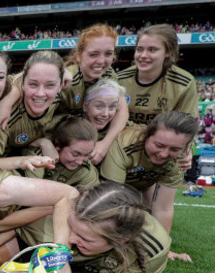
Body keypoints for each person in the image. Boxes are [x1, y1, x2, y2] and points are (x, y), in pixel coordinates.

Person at [17, 182, 171, 273]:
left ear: (121, 240)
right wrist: (60, 254)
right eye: (70, 227)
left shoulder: (152, 247)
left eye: (85, 239)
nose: (70, 238)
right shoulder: (65, 218)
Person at [100, 111, 198, 261]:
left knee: (147, 214)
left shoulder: (180, 159)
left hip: (142, 180)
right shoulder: (126, 143)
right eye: (159, 145)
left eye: (174, 149)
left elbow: (163, 208)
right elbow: (110, 199)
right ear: (147, 135)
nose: (164, 154)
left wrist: (162, 248)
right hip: (108, 182)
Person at [0, 50, 64, 171]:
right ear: (22, 84)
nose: (40, 93)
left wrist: (43, 142)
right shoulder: (5, 115)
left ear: (61, 86)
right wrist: (22, 161)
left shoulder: (57, 99)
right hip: (0, 164)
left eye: (50, 85)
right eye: (33, 84)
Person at [60, 24, 129, 164]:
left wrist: (105, 144)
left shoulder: (109, 74)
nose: (101, 61)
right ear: (79, 56)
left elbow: (122, 110)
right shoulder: (68, 78)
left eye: (108, 54)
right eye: (93, 54)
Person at [118, 23, 199, 124]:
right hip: (124, 139)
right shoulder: (120, 80)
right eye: (139, 49)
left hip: (166, 139)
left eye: (152, 50)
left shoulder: (184, 83)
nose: (143, 55)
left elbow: (186, 128)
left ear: (168, 51)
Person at [24, 116, 100, 189]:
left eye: (87, 154)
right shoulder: (39, 155)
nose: (80, 162)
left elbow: (95, 198)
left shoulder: (85, 169)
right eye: (75, 154)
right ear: (58, 144)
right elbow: (32, 190)